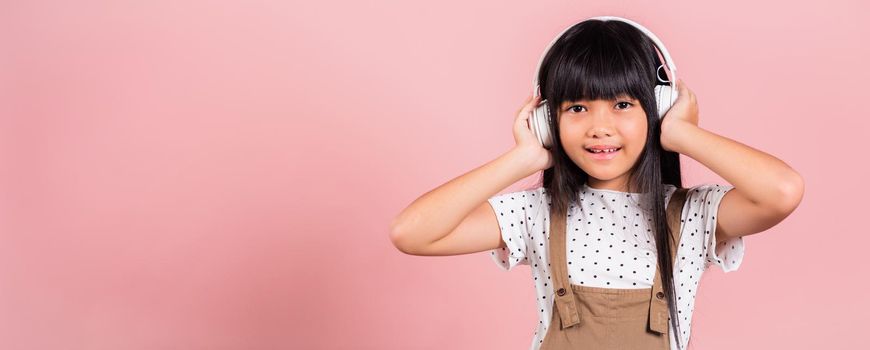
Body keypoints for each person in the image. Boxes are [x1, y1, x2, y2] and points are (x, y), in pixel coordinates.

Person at [389, 18, 803, 350]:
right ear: (547, 119)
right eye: (577, 107)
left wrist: (681, 134)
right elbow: (413, 232)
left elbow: (781, 191)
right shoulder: (536, 212)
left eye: (623, 104)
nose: (599, 127)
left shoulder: (694, 213)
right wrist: (523, 158)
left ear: (658, 108)